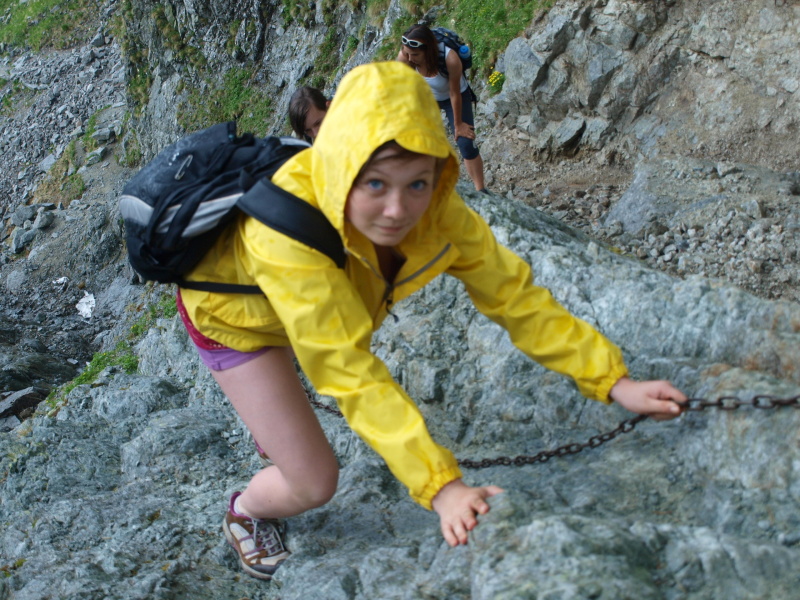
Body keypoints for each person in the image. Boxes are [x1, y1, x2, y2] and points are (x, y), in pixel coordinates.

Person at [177, 61, 686, 580]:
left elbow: (515, 297)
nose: (398, 210)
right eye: (375, 183)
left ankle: (276, 427)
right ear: (340, 167)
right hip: (234, 323)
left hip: (298, 307)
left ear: (436, 172)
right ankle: (245, 512)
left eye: (417, 183)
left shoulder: (437, 210)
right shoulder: (285, 234)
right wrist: (442, 488)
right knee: (313, 482)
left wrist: (615, 381)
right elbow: (347, 370)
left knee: (297, 411)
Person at [397, 24, 487, 193]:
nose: (410, 58)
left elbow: (454, 93)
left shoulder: (450, 59)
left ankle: (481, 191)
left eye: (415, 54)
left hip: (456, 95)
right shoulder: (405, 58)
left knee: (466, 143)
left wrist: (458, 124)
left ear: (428, 51)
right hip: (428, 97)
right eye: (406, 53)